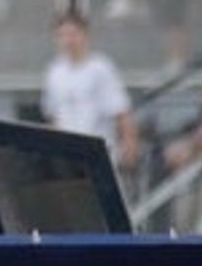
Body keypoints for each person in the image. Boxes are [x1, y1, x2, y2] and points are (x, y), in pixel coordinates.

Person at [42, 12, 139, 168]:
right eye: (62, 35)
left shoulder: (101, 67)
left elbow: (121, 111)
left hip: (99, 157)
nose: (68, 40)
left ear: (85, 35)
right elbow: (53, 116)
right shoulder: (54, 72)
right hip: (67, 159)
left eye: (73, 34)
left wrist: (130, 144)